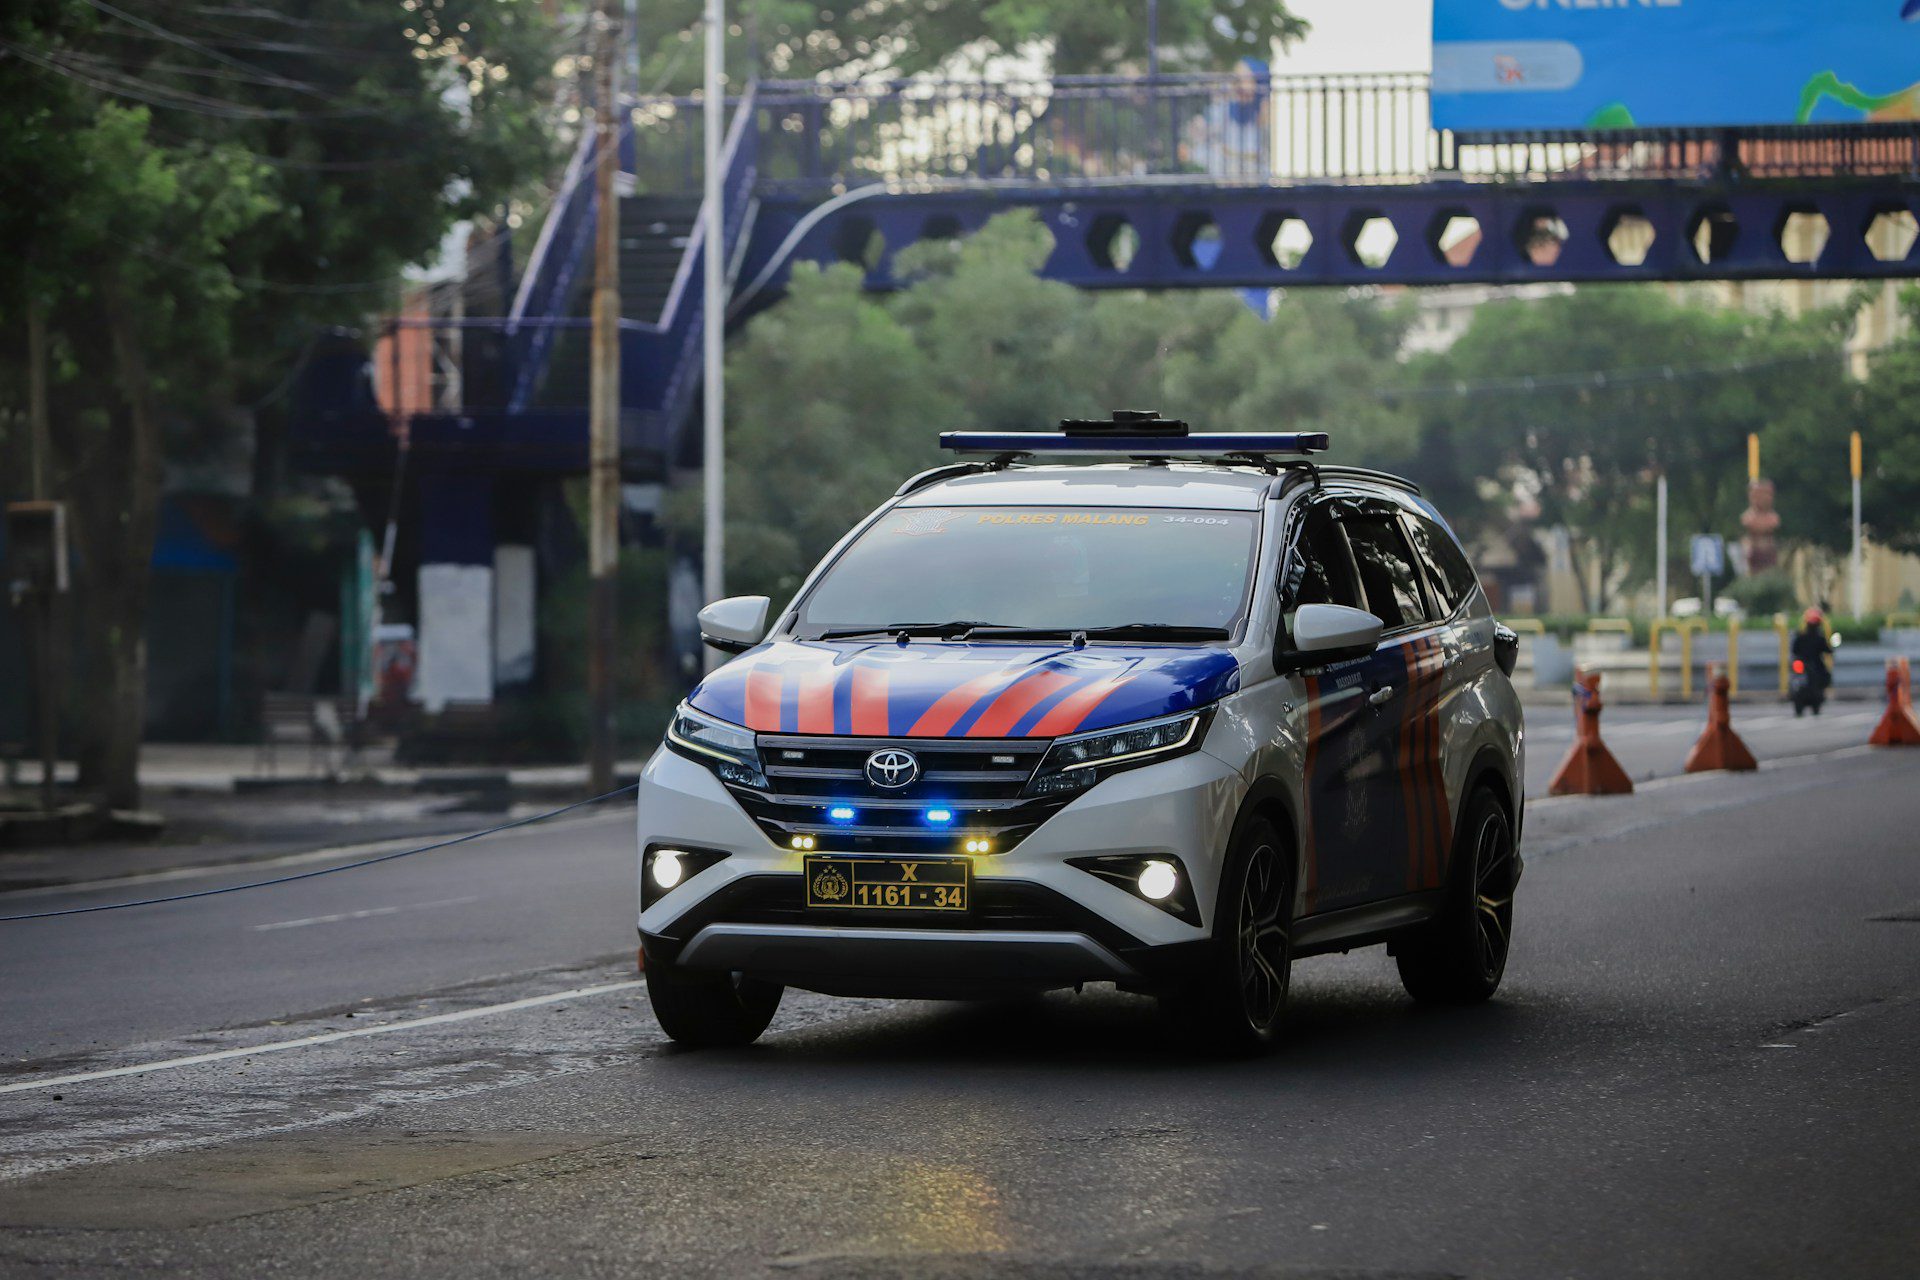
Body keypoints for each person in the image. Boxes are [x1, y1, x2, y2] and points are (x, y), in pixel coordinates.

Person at [1183, 57, 1271, 179]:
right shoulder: (1227, 108)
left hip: (1255, 171)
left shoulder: (1267, 109)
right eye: (1236, 80)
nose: (1238, 85)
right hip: (1228, 169)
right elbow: (1207, 130)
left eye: (1244, 79)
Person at [1790, 607, 1833, 714]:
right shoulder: (1819, 637)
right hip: (1809, 665)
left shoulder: (1800, 636)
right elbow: (1828, 650)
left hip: (1807, 664)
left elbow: (1794, 650)